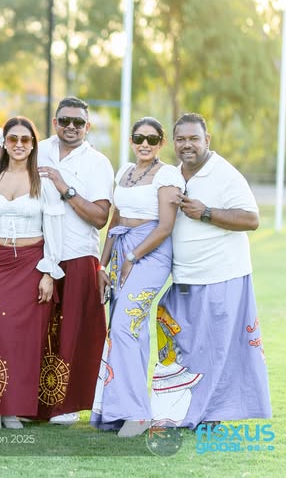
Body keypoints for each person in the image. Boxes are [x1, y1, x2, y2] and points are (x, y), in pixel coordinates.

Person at [152, 113, 270, 428]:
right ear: (173, 142)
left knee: (216, 351)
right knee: (185, 347)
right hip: (185, 278)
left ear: (207, 140)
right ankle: (186, 409)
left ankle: (209, 415)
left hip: (222, 276)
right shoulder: (172, 175)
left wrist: (206, 213)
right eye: (181, 139)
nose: (187, 145)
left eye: (194, 138)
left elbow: (251, 219)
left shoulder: (225, 174)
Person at [0, 116, 64, 429]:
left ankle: (15, 409)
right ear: (4, 143)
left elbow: (54, 228)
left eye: (25, 139)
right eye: (13, 139)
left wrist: (49, 271)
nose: (19, 145)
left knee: (25, 339)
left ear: (33, 144)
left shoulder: (43, 182)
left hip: (30, 265)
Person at [89, 117, 183, 438]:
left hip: (150, 253)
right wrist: (102, 266)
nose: (144, 144)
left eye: (152, 139)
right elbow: (115, 219)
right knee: (131, 330)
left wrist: (133, 256)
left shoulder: (168, 175)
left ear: (161, 143)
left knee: (124, 326)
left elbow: (165, 227)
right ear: (131, 140)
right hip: (120, 249)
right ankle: (118, 411)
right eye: (138, 137)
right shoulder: (124, 172)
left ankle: (137, 414)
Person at [36, 96, 113, 424]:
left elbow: (99, 217)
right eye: (64, 120)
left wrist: (63, 187)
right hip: (36, 255)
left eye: (78, 122)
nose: (71, 127)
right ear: (55, 122)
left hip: (78, 255)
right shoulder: (36, 149)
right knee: (38, 332)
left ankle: (67, 406)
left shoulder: (98, 163)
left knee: (74, 334)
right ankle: (34, 404)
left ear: (87, 126)